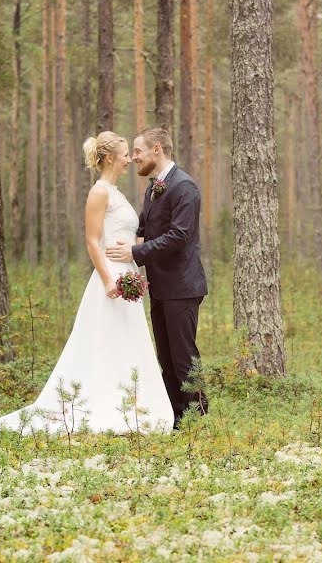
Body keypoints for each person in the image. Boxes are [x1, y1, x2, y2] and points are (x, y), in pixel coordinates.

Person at [0, 131, 174, 434]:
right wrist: (109, 279)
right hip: (110, 278)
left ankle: (128, 401)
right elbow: (93, 241)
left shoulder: (117, 192)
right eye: (125, 154)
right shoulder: (99, 192)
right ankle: (99, 402)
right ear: (110, 158)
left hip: (128, 275)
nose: (129, 160)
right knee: (104, 340)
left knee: (126, 340)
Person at [106, 128, 208, 429]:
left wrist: (135, 254)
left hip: (183, 286)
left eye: (137, 150)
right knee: (166, 355)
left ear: (157, 150)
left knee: (183, 355)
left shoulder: (185, 187)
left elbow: (179, 236)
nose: (134, 157)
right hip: (161, 286)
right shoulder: (155, 188)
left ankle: (198, 415)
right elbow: (147, 228)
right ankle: (176, 416)